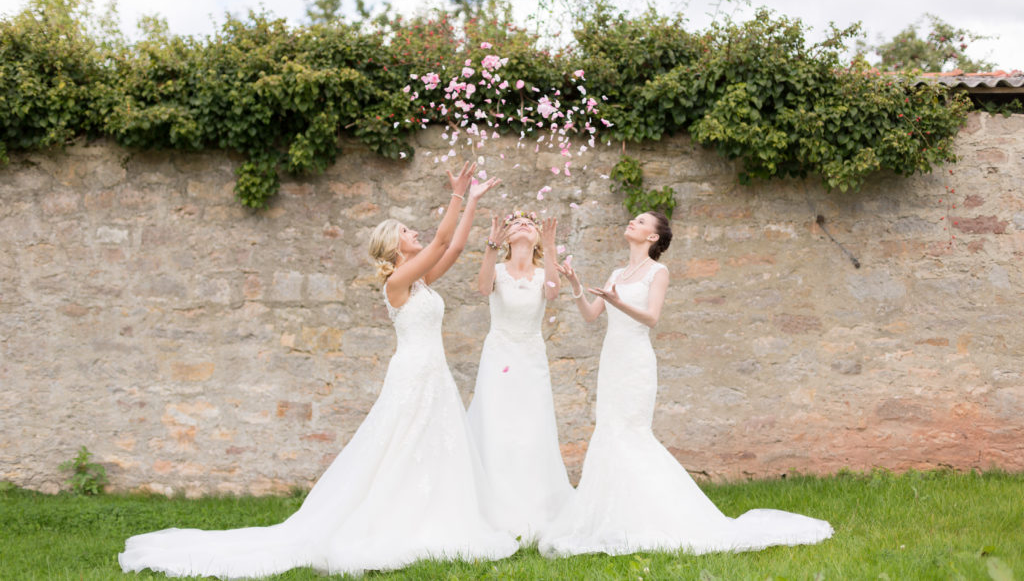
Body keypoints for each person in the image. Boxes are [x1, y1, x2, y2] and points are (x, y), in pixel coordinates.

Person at [120, 162, 518, 579]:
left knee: (431, 446)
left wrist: (471, 201)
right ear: (394, 247)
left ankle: (435, 519)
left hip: (434, 376)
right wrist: (456, 193)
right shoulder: (398, 282)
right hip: (413, 376)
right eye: (405, 230)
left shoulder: (420, 283)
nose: (413, 232)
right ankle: (389, 521)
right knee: (399, 447)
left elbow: (451, 250)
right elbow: (439, 241)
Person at [539, 211, 833, 557]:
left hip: (636, 364)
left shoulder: (657, 272)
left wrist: (619, 302)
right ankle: (614, 517)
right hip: (611, 363)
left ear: (653, 237)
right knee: (609, 432)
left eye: (641, 221)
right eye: (634, 218)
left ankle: (665, 516)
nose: (633, 222)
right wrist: (576, 285)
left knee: (631, 434)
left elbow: (651, 318)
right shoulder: (618, 273)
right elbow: (591, 316)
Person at [466, 211, 573, 542]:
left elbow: (553, 293)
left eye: (531, 222)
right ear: (508, 236)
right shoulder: (497, 269)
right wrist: (491, 246)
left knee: (531, 428)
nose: (524, 224)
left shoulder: (543, 274)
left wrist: (552, 246)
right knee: (496, 424)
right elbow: (484, 288)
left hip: (530, 360)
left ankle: (536, 504)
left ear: (537, 238)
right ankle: (492, 506)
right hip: (499, 358)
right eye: (516, 222)